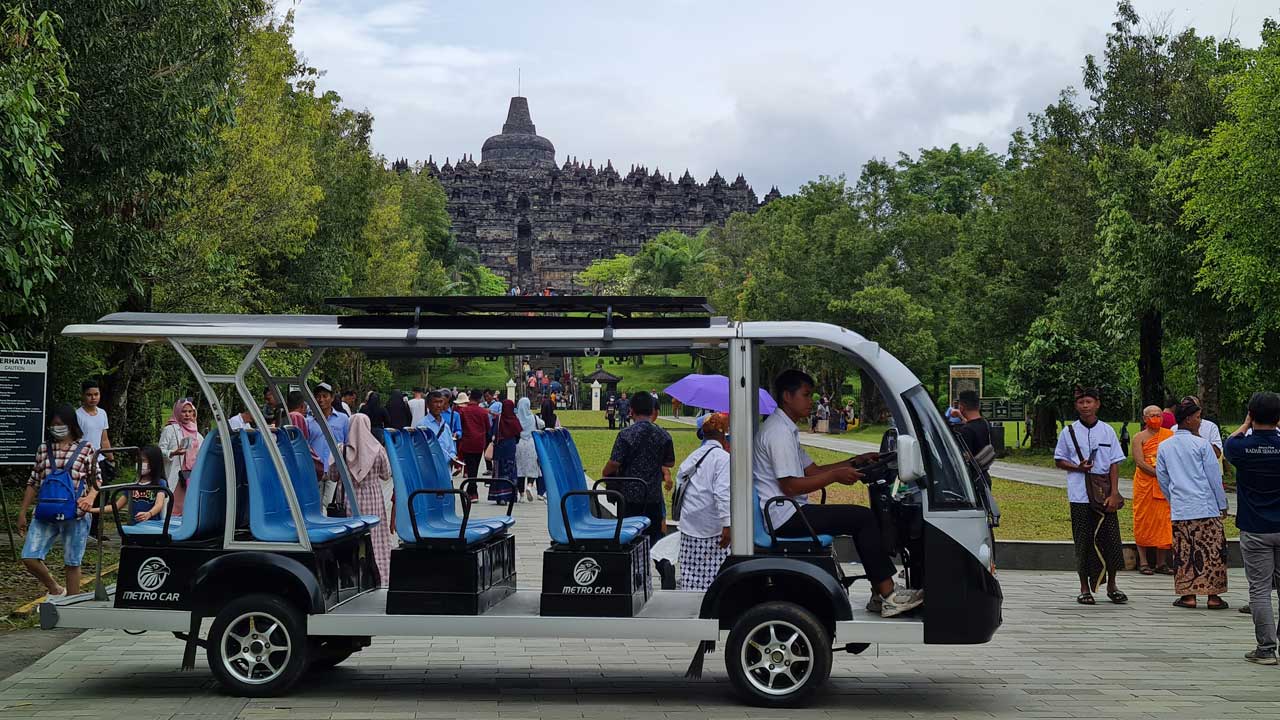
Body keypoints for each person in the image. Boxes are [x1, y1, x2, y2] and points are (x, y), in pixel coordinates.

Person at [754, 370, 922, 618]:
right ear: (787, 396)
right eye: (806, 395)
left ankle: (880, 592)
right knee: (861, 518)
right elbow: (790, 486)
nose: (811, 400)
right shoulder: (777, 433)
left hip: (788, 510)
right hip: (784, 517)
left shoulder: (785, 429)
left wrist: (854, 462)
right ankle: (888, 594)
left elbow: (813, 470)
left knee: (859, 517)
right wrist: (835, 477)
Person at [1054, 387, 1127, 605]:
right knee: (1083, 540)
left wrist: (1114, 493)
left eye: (1089, 402)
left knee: (1111, 539)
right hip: (1079, 495)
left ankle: (1112, 585)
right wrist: (1077, 467)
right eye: (1081, 402)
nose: (1085, 406)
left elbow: (1114, 463)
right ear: (1076, 406)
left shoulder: (1107, 431)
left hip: (1104, 494)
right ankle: (1084, 587)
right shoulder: (1068, 432)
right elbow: (1059, 460)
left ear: (1097, 404)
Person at [17, 405, 100, 597]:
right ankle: (55, 589)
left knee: (72, 562)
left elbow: (96, 480)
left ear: (71, 424)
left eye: (61, 424)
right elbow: (34, 481)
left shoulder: (86, 448)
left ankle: (72, 607)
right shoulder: (44, 449)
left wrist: (90, 497)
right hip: (45, 512)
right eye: (53, 425)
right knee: (29, 556)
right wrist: (22, 511)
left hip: (75, 513)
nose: (57, 428)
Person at [1157, 397, 1229, 610]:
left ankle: (1188, 595)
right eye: (1197, 417)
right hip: (1205, 505)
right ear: (1188, 420)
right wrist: (1221, 503)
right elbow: (1214, 477)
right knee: (1212, 550)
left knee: (1184, 551)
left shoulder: (1164, 446)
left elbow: (1163, 478)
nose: (1200, 421)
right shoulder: (1201, 444)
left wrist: (1173, 498)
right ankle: (1213, 596)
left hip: (1181, 507)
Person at [1225, 391, 1280, 664]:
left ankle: (1266, 649)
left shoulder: (1240, 448)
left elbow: (1229, 441)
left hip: (1255, 528)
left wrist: (1246, 425)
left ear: (1251, 415)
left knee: (1259, 590)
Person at [601, 391, 675, 547]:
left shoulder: (626, 435)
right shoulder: (664, 435)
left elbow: (614, 463)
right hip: (653, 496)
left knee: (630, 540)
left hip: (629, 497)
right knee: (654, 540)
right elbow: (669, 463)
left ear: (631, 410)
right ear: (652, 411)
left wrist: (606, 473)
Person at [676, 412, 732, 591]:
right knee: (714, 581)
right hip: (711, 528)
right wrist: (728, 524)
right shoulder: (723, 459)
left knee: (690, 576)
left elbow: (680, 482)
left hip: (689, 525)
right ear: (724, 435)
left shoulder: (693, 456)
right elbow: (722, 492)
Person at [341, 414, 394, 586]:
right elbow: (386, 475)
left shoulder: (342, 449)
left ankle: (350, 577)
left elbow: (333, 476)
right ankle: (379, 574)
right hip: (373, 499)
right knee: (376, 539)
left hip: (349, 500)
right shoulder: (378, 449)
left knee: (350, 539)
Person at [1130, 405, 1174, 575]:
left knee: (1164, 521)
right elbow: (1140, 462)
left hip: (1164, 485)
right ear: (1144, 418)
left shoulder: (1169, 436)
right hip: (1145, 484)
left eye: (1158, 415)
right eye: (1152, 415)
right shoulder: (1139, 437)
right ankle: (1144, 562)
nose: (1155, 418)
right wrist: (1158, 474)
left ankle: (1161, 563)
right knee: (1143, 519)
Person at [89, 444, 168, 526]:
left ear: (154, 463)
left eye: (143, 461)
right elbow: (116, 506)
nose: (140, 464)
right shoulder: (133, 484)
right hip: (133, 528)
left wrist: (149, 514)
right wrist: (91, 510)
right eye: (138, 461)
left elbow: (159, 504)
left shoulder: (160, 483)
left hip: (152, 528)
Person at [76, 380, 111, 540]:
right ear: (83, 396)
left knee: (104, 493)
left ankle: (96, 529)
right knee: (87, 493)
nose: (93, 398)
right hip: (84, 460)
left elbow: (104, 438)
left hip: (100, 458)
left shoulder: (102, 413)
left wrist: (111, 457)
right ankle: (84, 527)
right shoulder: (78, 415)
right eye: (89, 395)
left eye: (96, 394)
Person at [306, 383, 350, 508]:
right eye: (318, 396)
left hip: (335, 470)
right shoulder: (308, 421)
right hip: (315, 470)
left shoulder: (343, 419)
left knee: (330, 504)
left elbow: (347, 443)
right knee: (315, 506)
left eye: (325, 396)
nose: (321, 400)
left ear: (332, 398)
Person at [157, 398, 202, 515]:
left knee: (188, 505)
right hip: (175, 473)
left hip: (191, 475)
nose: (187, 414)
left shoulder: (196, 431)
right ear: (177, 412)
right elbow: (159, 450)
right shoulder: (170, 430)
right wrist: (172, 453)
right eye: (184, 411)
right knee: (171, 504)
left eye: (190, 411)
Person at [457, 392, 490, 500]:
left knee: (470, 467)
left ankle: (472, 491)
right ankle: (472, 491)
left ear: (469, 398)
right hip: (479, 443)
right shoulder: (483, 412)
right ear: (480, 399)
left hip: (467, 442)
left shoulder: (463, 411)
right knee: (474, 467)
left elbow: (460, 426)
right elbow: (488, 427)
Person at [954, 390, 993, 474]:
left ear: (961, 407)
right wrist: (961, 416)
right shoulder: (985, 423)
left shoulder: (965, 431)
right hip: (984, 475)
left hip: (973, 478)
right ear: (978, 406)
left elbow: (965, 458)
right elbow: (972, 424)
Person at [489, 399, 521, 504]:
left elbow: (492, 433)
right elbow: (518, 435)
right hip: (510, 448)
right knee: (510, 471)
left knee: (499, 471)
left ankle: (499, 495)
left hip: (499, 448)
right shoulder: (514, 420)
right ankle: (510, 495)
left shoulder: (498, 419)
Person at [515, 397, 545, 502]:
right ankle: (530, 485)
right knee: (533, 467)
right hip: (531, 444)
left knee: (520, 470)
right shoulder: (533, 418)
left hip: (519, 444)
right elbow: (542, 425)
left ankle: (522, 494)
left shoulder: (516, 418)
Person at [416, 391, 459, 464]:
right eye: (435, 402)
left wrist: (453, 458)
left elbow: (452, 449)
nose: (439, 405)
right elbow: (418, 451)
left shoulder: (446, 426)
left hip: (446, 470)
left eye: (441, 402)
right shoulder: (422, 426)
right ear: (428, 405)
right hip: (430, 470)